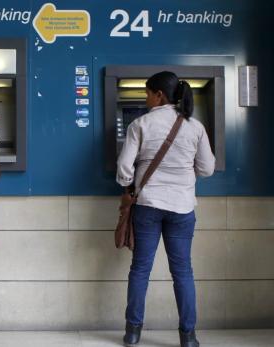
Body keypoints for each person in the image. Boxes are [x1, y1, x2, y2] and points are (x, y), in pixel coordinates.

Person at [117, 71, 215, 347]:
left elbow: (124, 170)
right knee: (183, 271)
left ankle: (133, 332)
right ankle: (188, 336)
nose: (145, 98)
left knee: (140, 270)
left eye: (147, 93)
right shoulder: (195, 126)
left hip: (148, 205)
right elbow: (207, 168)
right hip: (182, 208)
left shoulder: (140, 124)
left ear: (159, 94)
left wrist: (129, 184)